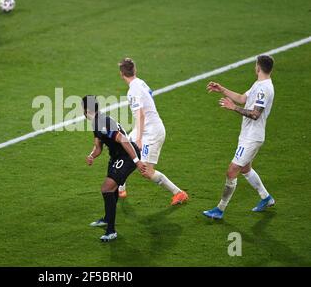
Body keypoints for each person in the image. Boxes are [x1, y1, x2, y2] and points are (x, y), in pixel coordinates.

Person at [203, 55, 276, 219]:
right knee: (245, 168)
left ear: (258, 67)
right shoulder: (259, 84)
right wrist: (222, 89)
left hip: (252, 137)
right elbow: (243, 98)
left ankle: (219, 210)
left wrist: (233, 108)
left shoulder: (265, 88)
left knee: (231, 171)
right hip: (247, 135)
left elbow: (256, 114)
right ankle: (266, 198)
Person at [118, 58, 188, 205]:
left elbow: (140, 114)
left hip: (151, 133)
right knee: (123, 147)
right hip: (147, 127)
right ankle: (120, 188)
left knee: (147, 171)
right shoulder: (140, 82)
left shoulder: (132, 91)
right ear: (134, 70)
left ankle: (179, 193)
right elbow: (150, 94)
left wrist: (138, 139)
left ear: (121, 74)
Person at [83, 95, 144, 242]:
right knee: (112, 188)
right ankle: (107, 218)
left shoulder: (101, 123)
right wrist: (92, 155)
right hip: (116, 157)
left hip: (127, 156)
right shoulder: (96, 122)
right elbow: (98, 147)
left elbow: (123, 139)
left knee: (107, 188)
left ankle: (111, 231)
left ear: (86, 110)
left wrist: (136, 160)